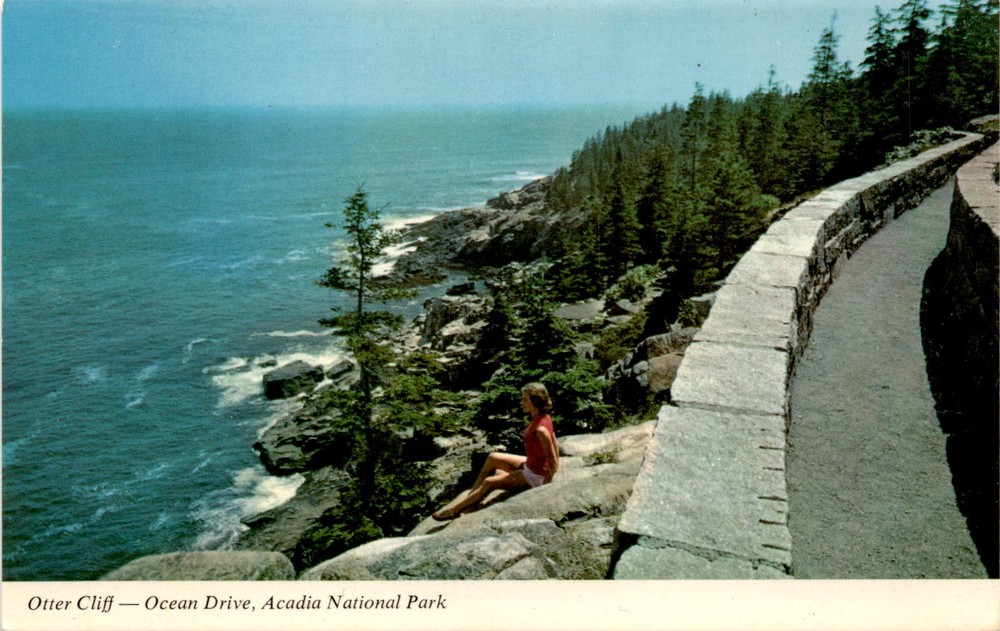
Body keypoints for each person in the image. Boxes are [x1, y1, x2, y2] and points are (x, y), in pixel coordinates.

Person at [432, 382, 559, 521]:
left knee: (489, 482)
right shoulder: (542, 418)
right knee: (493, 457)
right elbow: (555, 444)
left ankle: (453, 511)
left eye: (524, 399)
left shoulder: (541, 429)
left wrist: (544, 489)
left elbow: (553, 460)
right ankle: (472, 497)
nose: (521, 402)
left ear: (535, 401)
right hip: (530, 465)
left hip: (535, 476)